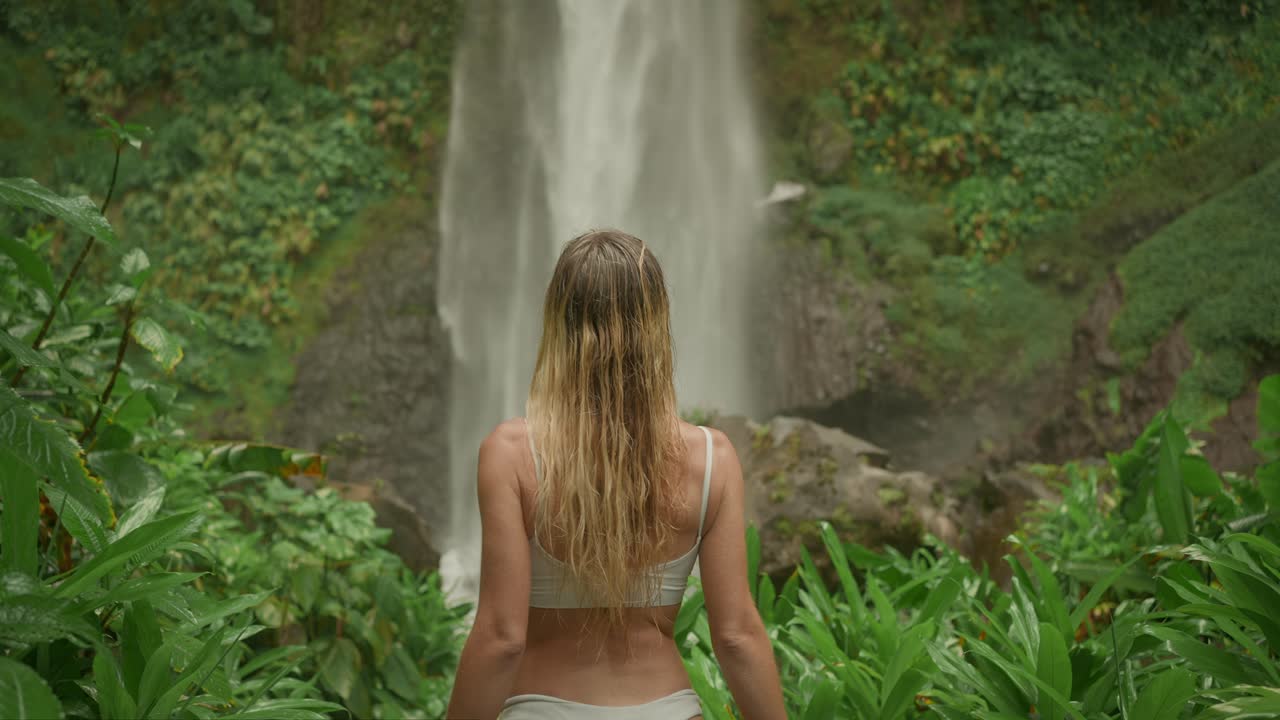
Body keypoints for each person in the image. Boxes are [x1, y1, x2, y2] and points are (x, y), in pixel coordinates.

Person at [447, 230, 786, 720]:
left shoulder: (510, 454)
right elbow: (736, 636)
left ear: (558, 323)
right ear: (656, 325)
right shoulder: (713, 459)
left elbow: (501, 640)